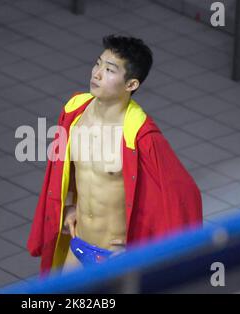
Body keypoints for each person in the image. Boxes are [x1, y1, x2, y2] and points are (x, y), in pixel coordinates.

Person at [27, 34, 203, 277]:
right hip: (79, 244)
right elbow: (66, 171)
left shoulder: (140, 135)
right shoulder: (75, 111)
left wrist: (142, 249)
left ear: (131, 85)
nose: (96, 74)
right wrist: (70, 205)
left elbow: (184, 195)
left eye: (109, 70)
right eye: (98, 63)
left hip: (115, 257)